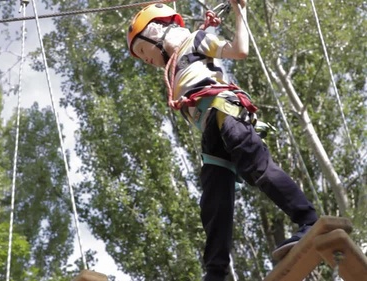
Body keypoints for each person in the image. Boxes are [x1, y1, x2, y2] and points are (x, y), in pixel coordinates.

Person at [126, 1, 318, 280]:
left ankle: (308, 220)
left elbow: (240, 50)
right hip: (211, 132)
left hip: (223, 112)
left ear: (155, 32)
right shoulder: (179, 62)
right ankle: (215, 273)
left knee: (258, 167)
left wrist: (241, 11)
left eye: (144, 52)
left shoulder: (196, 40)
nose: (149, 61)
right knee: (214, 204)